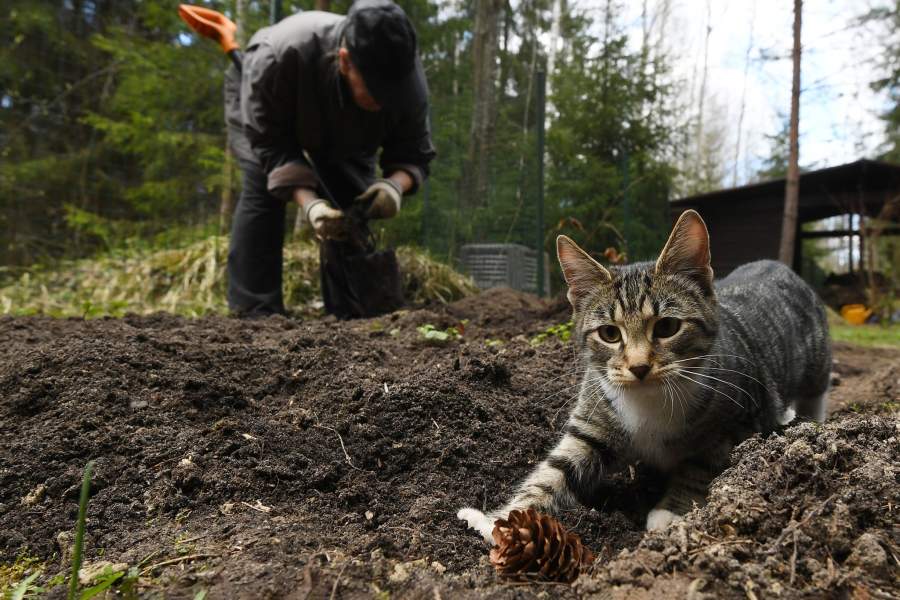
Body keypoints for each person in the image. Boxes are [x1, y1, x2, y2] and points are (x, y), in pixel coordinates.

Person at [224, 0, 436, 318]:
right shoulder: (278, 55)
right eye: (377, 92)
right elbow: (271, 148)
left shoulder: (406, 78)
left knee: (353, 205)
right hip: (268, 102)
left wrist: (393, 186)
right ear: (345, 61)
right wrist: (310, 204)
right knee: (262, 187)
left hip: (344, 132)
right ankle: (255, 314)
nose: (387, 101)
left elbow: (414, 151)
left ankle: (355, 311)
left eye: (395, 91)